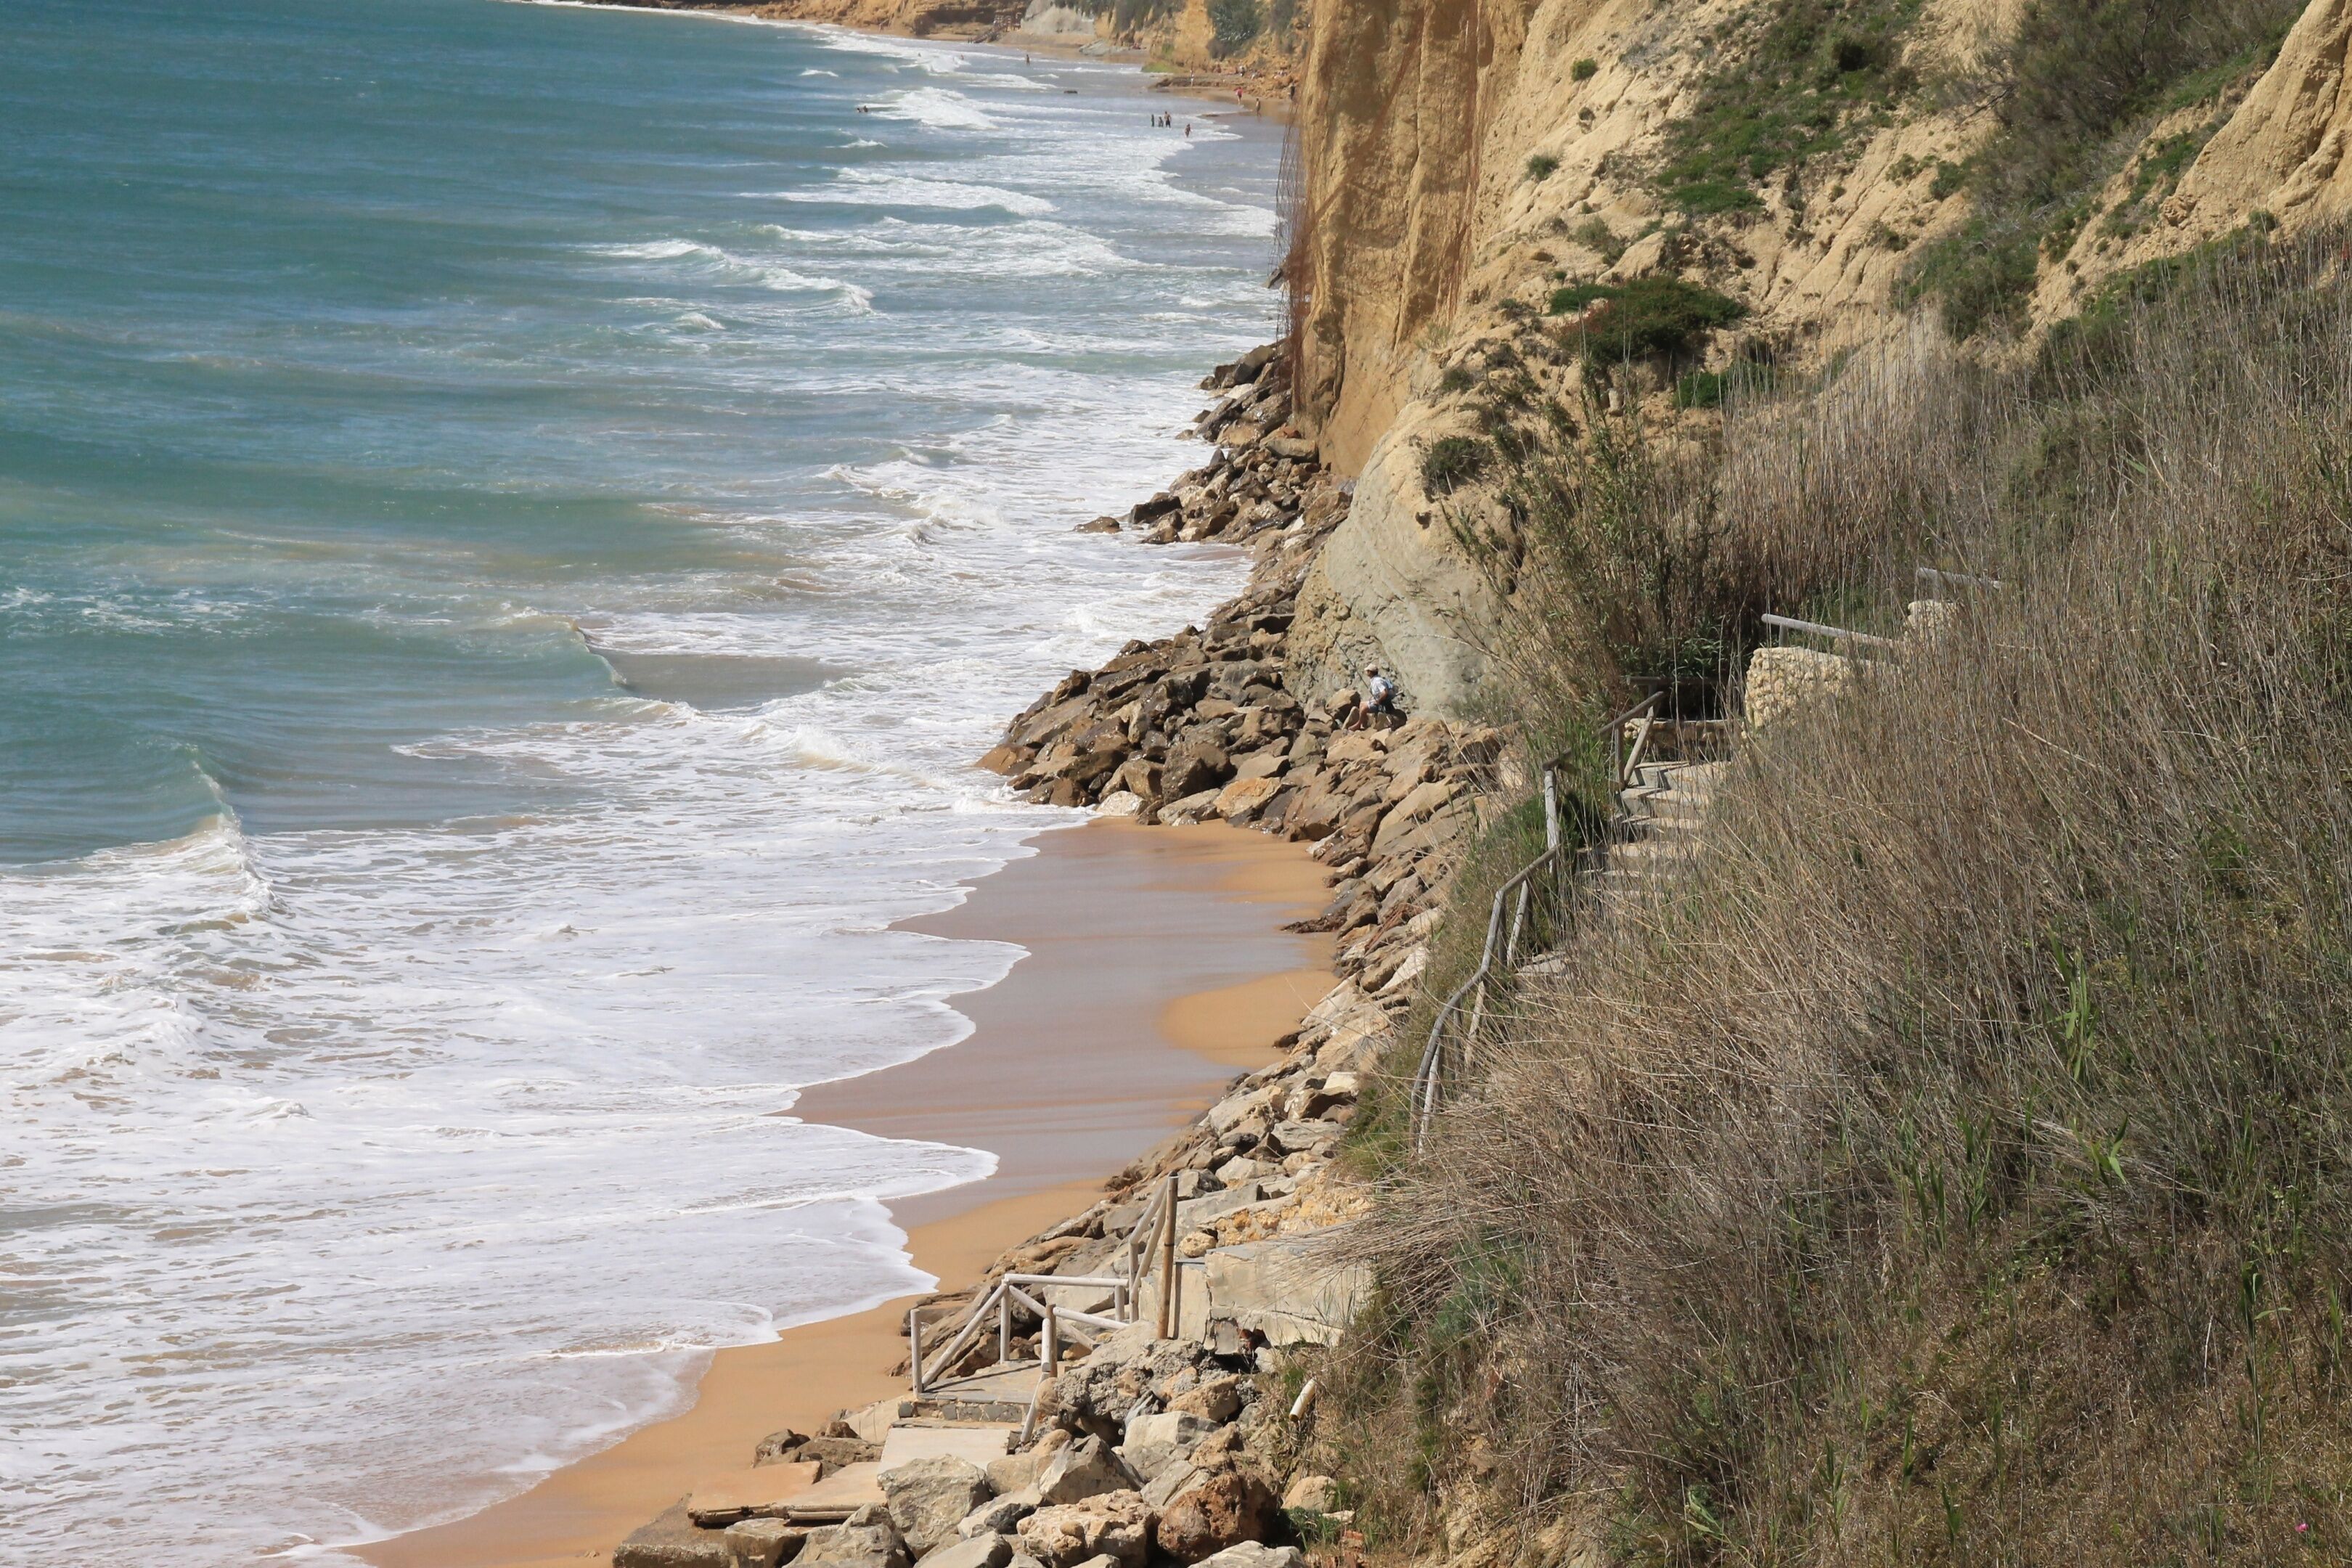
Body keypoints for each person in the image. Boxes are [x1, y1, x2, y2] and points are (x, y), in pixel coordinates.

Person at [1352, 664, 1398, 729]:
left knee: (1363, 709)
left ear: (1370, 672)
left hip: (1381, 704)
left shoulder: (1378, 681)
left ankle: (1358, 724)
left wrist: (1378, 701)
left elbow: (1384, 693)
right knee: (1362, 704)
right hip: (1378, 701)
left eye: (1367, 671)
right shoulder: (1374, 680)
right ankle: (1364, 724)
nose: (1366, 673)